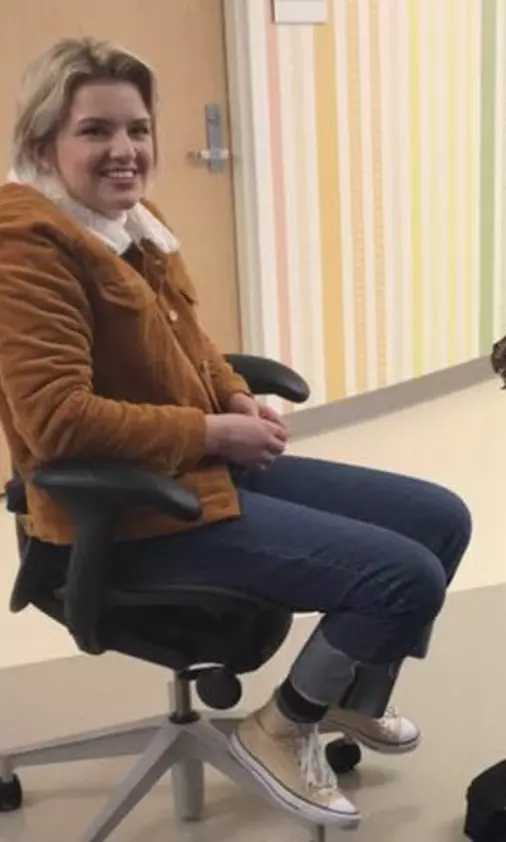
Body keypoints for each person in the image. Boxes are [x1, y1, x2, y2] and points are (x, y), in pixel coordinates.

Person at [0, 38, 471, 828]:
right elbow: (57, 422)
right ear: (46, 142)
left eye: (138, 128)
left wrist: (235, 396)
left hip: (188, 469)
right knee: (403, 579)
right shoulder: (27, 250)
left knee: (439, 517)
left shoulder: (127, 223)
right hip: (125, 514)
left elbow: (186, 342)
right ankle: (281, 728)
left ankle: (350, 697)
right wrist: (212, 433)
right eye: (96, 132)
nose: (126, 150)